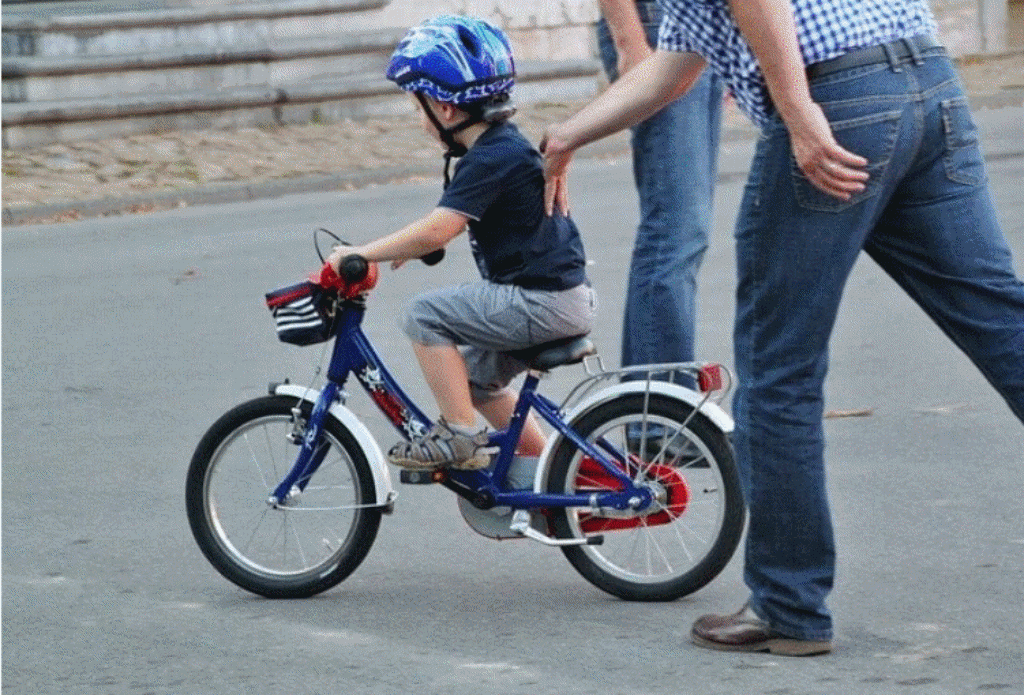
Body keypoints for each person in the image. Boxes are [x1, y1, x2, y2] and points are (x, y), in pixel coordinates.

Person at [541, 0, 1024, 656]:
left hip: (835, 97)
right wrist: (568, 135)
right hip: (927, 83)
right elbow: (674, 71)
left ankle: (788, 602)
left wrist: (796, 112)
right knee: (1001, 319)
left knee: (778, 367)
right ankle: (787, 598)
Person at [328, 15, 595, 471]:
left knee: (423, 314)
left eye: (419, 106)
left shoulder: (490, 157)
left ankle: (459, 434)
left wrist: (361, 252)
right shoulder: (499, 148)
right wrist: (410, 248)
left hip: (540, 301)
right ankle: (548, 469)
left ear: (445, 109)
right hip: (561, 298)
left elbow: (438, 228)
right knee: (473, 380)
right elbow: (449, 225)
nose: (420, 118)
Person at [596, 0, 722, 384]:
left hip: (699, 30)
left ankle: (650, 406)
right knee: (675, 233)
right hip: (656, 29)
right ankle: (659, 415)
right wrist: (630, 42)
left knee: (680, 234)